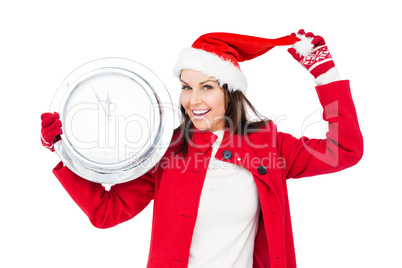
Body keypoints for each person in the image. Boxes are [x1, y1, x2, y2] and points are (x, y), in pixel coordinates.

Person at [40, 30, 363, 268]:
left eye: (206, 87)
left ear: (229, 92)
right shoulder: (167, 152)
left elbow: (344, 150)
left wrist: (326, 76)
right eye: (186, 87)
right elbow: (106, 212)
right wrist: (63, 151)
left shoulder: (269, 145)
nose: (193, 100)